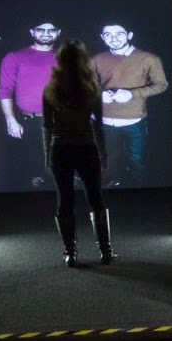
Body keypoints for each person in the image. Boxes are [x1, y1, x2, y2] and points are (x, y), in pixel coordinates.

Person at [42, 40, 115, 267]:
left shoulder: (50, 90)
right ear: (83, 61)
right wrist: (103, 154)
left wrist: (47, 155)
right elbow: (99, 126)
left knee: (65, 199)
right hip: (86, 148)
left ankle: (70, 254)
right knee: (95, 197)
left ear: (60, 61)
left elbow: (47, 126)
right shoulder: (92, 88)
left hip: (60, 149)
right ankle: (105, 251)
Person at [91, 22, 168, 188]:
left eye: (119, 34)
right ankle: (112, 189)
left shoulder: (149, 59)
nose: (114, 39)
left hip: (133, 121)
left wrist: (131, 94)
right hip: (103, 121)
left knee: (136, 160)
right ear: (102, 37)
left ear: (129, 35)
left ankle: (136, 191)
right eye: (108, 35)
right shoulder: (97, 59)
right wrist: (99, 94)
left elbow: (161, 85)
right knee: (108, 159)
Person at [0, 20, 61, 188]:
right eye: (41, 29)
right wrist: (10, 120)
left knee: (58, 170)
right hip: (28, 122)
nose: (46, 33)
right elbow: (5, 90)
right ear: (32, 32)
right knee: (29, 172)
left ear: (58, 32)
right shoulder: (15, 57)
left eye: (51, 30)